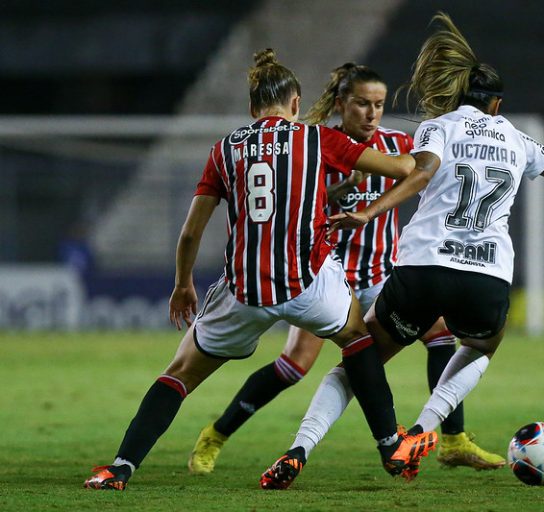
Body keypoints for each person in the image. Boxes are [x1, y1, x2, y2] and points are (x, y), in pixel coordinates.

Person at [260, 12, 544, 488]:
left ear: (456, 93)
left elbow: (418, 174)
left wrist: (369, 211)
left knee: (359, 361)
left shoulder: (437, 127)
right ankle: (424, 428)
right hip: (486, 276)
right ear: (496, 103)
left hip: (422, 268)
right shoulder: (518, 140)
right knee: (481, 344)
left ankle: (299, 450)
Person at [82, 48, 437, 491]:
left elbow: (192, 233)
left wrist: (182, 284)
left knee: (179, 374)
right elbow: (404, 167)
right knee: (356, 337)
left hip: (244, 291)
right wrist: (426, 155)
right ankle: (389, 444)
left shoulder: (224, 150)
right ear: (295, 104)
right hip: (307, 282)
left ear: (252, 108)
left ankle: (120, 467)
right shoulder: (316, 139)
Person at [187, 63, 504, 480]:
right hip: (325, 276)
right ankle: (217, 433)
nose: (372, 114)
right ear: (341, 104)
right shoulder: (314, 145)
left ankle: (452, 439)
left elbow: (429, 173)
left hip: (381, 275)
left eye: (378, 105)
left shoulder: (398, 145)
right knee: (294, 365)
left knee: (440, 332)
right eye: (361, 104)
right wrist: (336, 193)